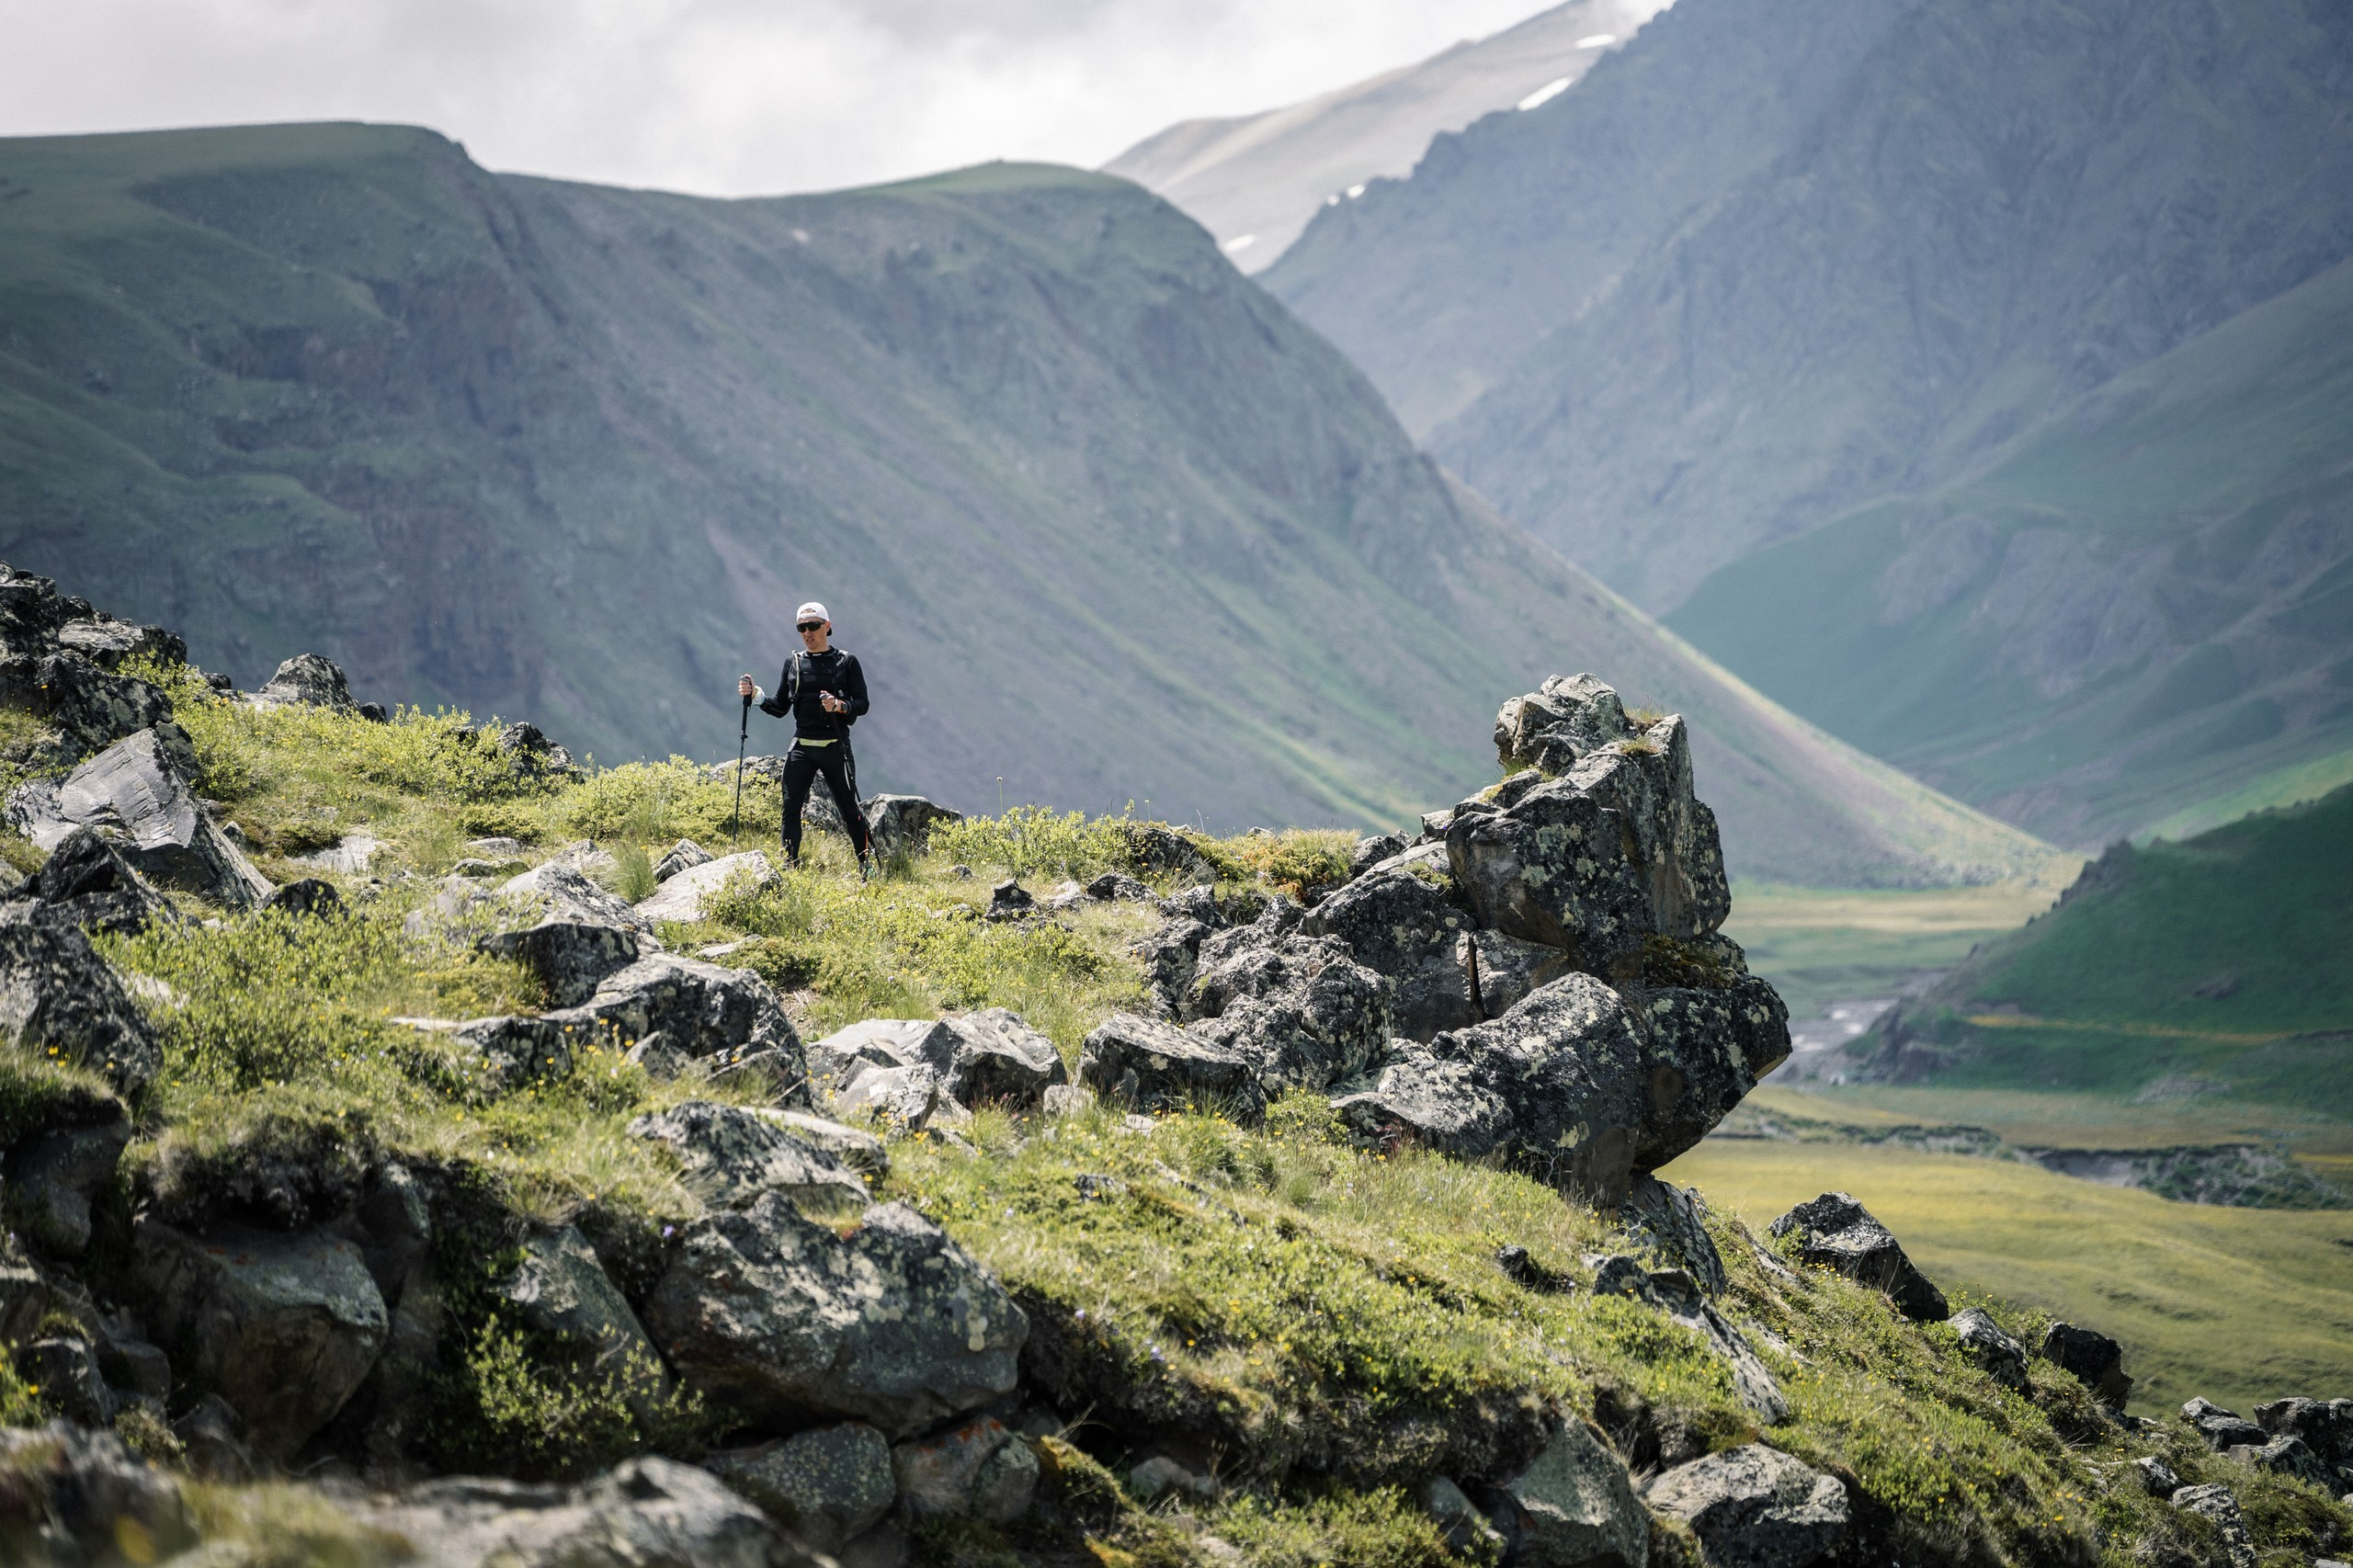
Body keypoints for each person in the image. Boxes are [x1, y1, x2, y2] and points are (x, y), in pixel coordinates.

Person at [738, 601, 874, 872]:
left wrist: (839, 706)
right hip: (802, 747)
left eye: (813, 626)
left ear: (827, 627)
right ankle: (790, 865)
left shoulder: (846, 662)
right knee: (790, 809)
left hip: (835, 746)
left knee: (849, 810)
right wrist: (756, 696)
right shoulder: (794, 663)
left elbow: (863, 704)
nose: (807, 633)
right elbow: (780, 707)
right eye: (802, 628)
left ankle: (865, 866)